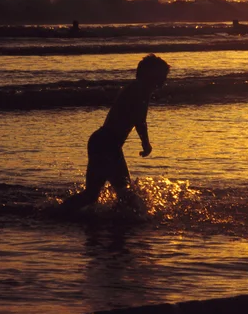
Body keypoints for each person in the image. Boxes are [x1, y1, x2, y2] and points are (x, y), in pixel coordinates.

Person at [61, 54, 170, 213]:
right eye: (161, 75)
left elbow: (137, 119)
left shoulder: (137, 88)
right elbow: (140, 120)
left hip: (102, 141)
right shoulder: (140, 89)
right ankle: (125, 221)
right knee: (125, 193)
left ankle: (59, 213)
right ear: (149, 74)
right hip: (107, 144)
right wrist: (146, 144)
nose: (163, 80)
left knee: (93, 195)